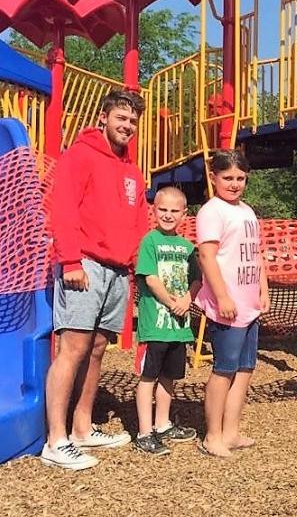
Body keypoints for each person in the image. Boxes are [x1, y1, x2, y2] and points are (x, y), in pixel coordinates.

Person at [41, 90, 147, 471]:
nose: (127, 126)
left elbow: (139, 221)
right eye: (121, 117)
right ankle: (56, 439)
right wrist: (70, 260)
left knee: (99, 347)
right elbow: (64, 208)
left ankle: (82, 427)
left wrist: (137, 267)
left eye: (132, 121)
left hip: (118, 270)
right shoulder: (80, 155)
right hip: (84, 262)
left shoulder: (132, 170)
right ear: (104, 117)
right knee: (73, 347)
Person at [194, 149, 269, 458]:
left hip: (249, 304)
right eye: (228, 178)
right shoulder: (212, 211)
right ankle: (213, 435)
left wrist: (263, 288)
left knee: (245, 369)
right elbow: (206, 256)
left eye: (240, 178)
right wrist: (222, 295)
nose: (235, 184)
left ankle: (231, 431)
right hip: (228, 304)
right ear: (214, 178)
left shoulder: (247, 211)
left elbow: (256, 253)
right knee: (224, 369)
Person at [132, 186, 201, 455]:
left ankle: (162, 423)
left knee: (169, 376)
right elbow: (150, 278)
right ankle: (144, 432)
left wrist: (187, 299)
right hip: (155, 325)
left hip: (178, 328)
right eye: (163, 209)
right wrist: (172, 303)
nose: (168, 215)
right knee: (148, 376)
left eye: (174, 210)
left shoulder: (187, 247)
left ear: (184, 214)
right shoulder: (150, 241)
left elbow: (197, 279)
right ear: (154, 210)